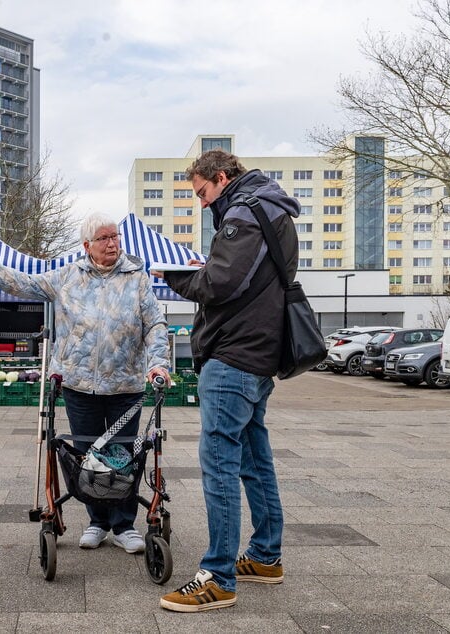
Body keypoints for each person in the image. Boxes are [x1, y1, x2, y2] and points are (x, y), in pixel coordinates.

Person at [0, 212, 170, 554]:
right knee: (87, 456)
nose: (112, 244)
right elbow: (25, 284)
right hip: (78, 384)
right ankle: (97, 521)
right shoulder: (68, 276)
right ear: (87, 245)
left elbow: (155, 323)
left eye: (115, 237)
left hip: (125, 385)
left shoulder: (137, 279)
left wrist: (158, 362)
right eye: (103, 238)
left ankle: (124, 526)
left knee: (123, 456)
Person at [156, 149, 299, 612]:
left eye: (202, 193)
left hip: (233, 355)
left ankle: (217, 577)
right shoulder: (273, 209)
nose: (201, 203)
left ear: (221, 178)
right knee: (254, 459)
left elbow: (217, 284)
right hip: (259, 355)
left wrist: (173, 276)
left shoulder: (244, 212)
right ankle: (265, 556)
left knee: (219, 461)